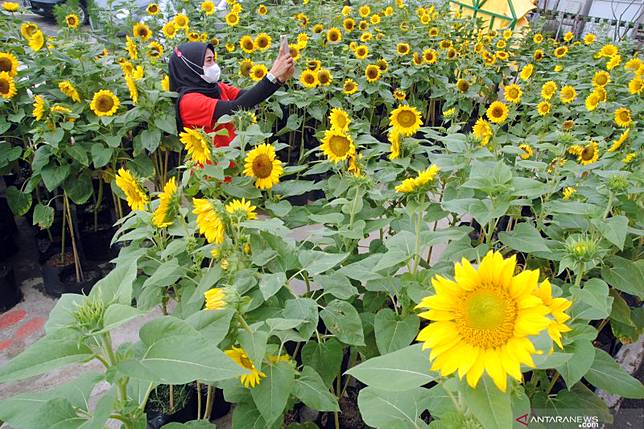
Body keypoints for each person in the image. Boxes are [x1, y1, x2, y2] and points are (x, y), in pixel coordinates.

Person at [168, 41, 294, 148]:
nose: (214, 65)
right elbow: (235, 107)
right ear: (191, 65)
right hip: (209, 170)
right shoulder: (188, 101)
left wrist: (278, 80)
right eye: (209, 60)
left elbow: (249, 97)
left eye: (214, 59)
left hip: (230, 162)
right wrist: (271, 75)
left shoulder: (215, 87)